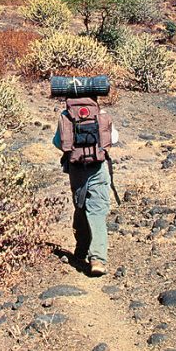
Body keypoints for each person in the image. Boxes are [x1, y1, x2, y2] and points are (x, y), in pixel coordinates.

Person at [53, 96, 119, 277]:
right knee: (97, 210)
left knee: (80, 206)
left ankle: (81, 249)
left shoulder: (66, 116)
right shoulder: (101, 114)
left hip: (76, 169)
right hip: (98, 168)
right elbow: (113, 139)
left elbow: (58, 143)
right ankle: (97, 259)